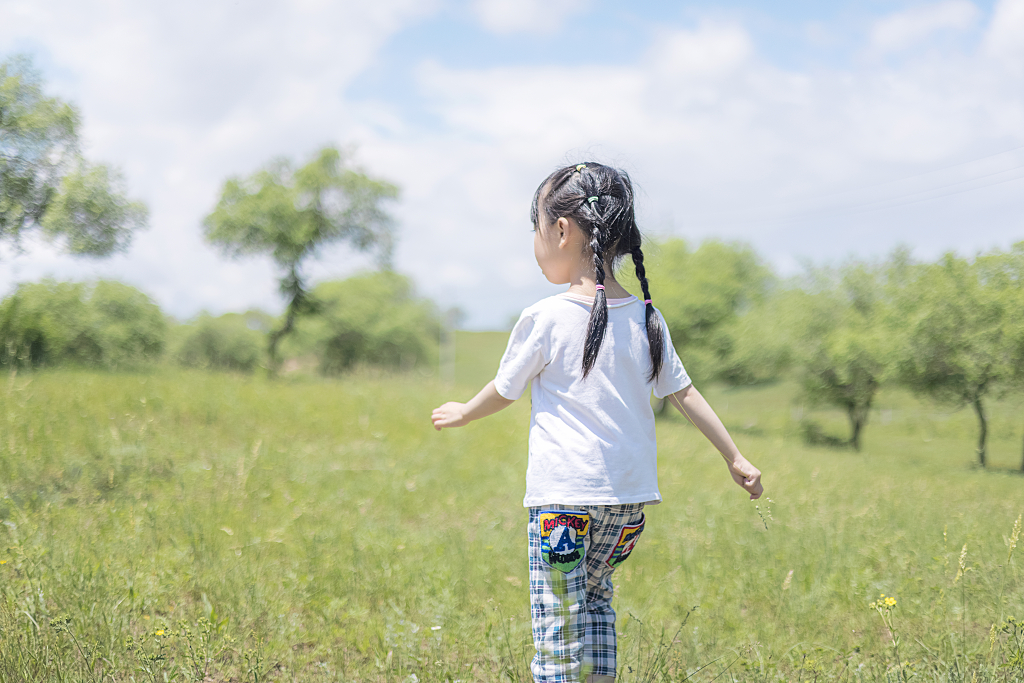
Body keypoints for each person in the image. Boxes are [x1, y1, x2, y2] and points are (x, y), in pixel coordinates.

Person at [431, 162, 763, 683]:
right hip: (626, 505)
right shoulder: (648, 316)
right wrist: (734, 456)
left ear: (562, 230)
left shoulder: (545, 316)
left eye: (536, 227)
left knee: (558, 621)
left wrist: (464, 412)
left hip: (564, 499)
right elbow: (684, 392)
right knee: (595, 601)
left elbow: (505, 389)